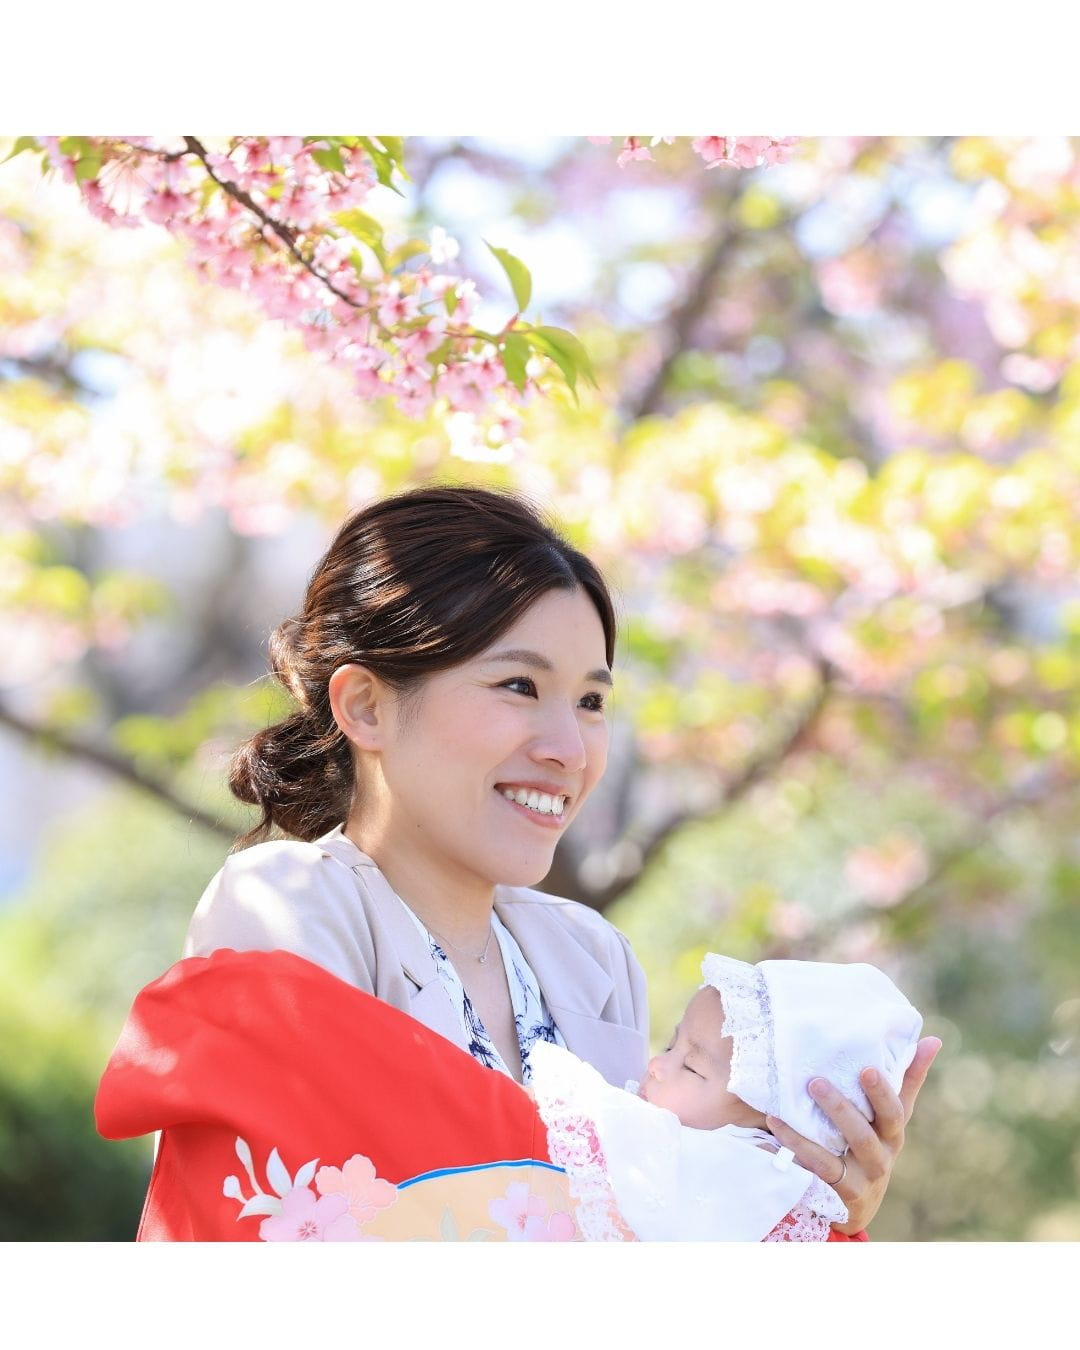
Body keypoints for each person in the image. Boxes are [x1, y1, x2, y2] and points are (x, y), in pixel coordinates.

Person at [102, 485, 940, 1237]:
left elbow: (654, 1220)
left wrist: (794, 1198)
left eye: (590, 702)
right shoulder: (292, 905)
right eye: (518, 687)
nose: (568, 748)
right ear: (366, 704)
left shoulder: (588, 956)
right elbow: (335, 1218)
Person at [528, 953, 924, 1241]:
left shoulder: (736, 1178)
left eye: (692, 1067)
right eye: (671, 1045)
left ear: (776, 1132)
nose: (655, 1065)